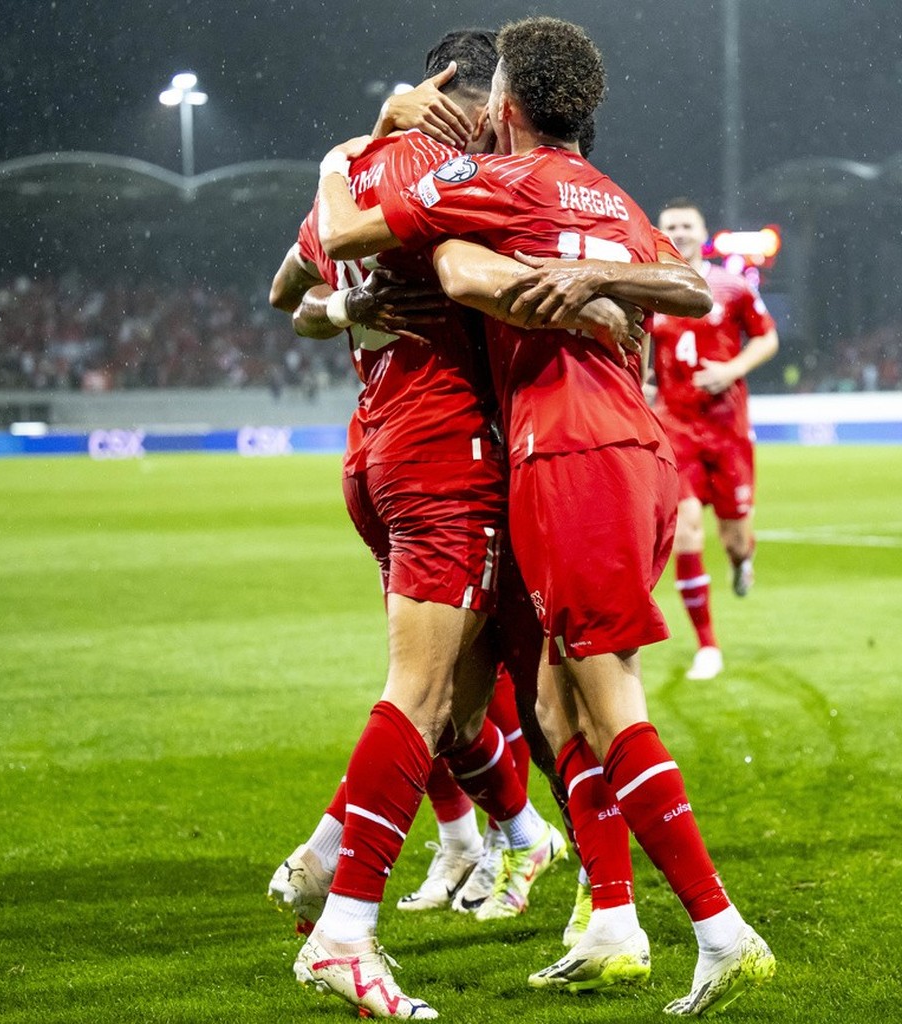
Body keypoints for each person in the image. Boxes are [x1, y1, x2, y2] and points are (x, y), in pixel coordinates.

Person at [315, 17, 775, 1016]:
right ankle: (611, 915)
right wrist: (600, 279)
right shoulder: (608, 193)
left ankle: (721, 928)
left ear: (502, 105)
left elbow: (359, 237)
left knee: (603, 704)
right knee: (556, 703)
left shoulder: (496, 184)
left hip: (573, 453)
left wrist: (349, 150)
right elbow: (687, 284)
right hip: (628, 452)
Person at [266, 34, 641, 1019]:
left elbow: (288, 291)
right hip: (466, 452)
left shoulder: (374, 165)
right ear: (468, 97)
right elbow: (464, 283)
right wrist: (598, 302)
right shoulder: (466, 173)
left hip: (397, 449)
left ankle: (509, 855)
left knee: (476, 706)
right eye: (498, 97)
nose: (500, 114)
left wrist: (343, 189)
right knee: (517, 688)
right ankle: (363, 914)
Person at [650, 198, 779, 681]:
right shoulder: (651, 286)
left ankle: (743, 559)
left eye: (686, 224)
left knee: (734, 537)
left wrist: (732, 369)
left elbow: (766, 339)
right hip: (675, 425)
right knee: (685, 530)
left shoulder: (731, 286)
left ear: (701, 231)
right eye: (670, 226)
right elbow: (644, 359)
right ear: (660, 233)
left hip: (726, 429)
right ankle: (708, 645)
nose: (678, 232)